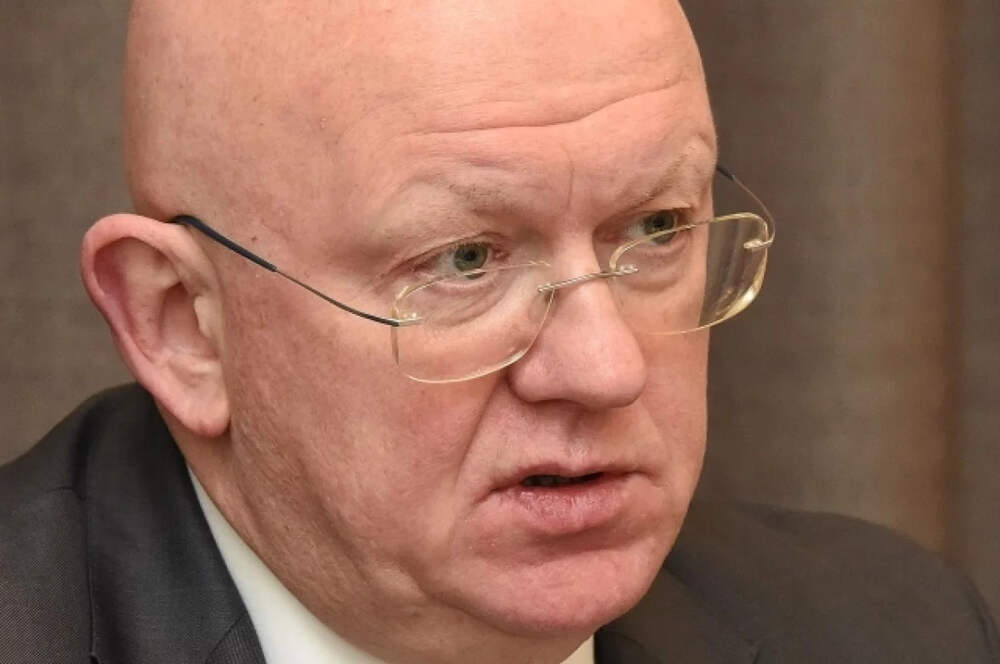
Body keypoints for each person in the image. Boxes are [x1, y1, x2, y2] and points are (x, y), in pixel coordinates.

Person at [1, 1, 997, 663]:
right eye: (466, 260)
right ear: (184, 326)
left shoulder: (891, 629)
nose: (605, 367)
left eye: (656, 229)